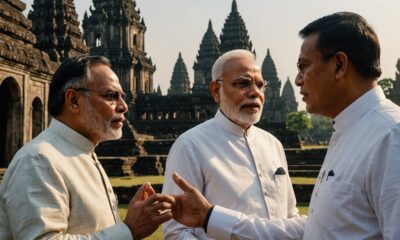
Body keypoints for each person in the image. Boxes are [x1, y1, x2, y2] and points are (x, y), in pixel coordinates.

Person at [170, 12, 400, 239]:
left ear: (339, 65)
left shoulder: (390, 136)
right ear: (215, 90)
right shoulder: (347, 132)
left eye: (303, 66)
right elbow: (311, 229)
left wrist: (210, 217)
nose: (298, 79)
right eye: (242, 84)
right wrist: (211, 217)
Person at [0, 55, 175, 239]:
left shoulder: (84, 154)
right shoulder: (38, 161)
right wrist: (128, 230)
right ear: (74, 100)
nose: (123, 106)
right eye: (111, 96)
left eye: (122, 97)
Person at [162, 49, 302, 239]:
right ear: (215, 90)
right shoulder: (190, 146)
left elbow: (290, 215)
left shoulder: (273, 145)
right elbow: (176, 232)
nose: (255, 93)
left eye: (260, 85)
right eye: (242, 83)